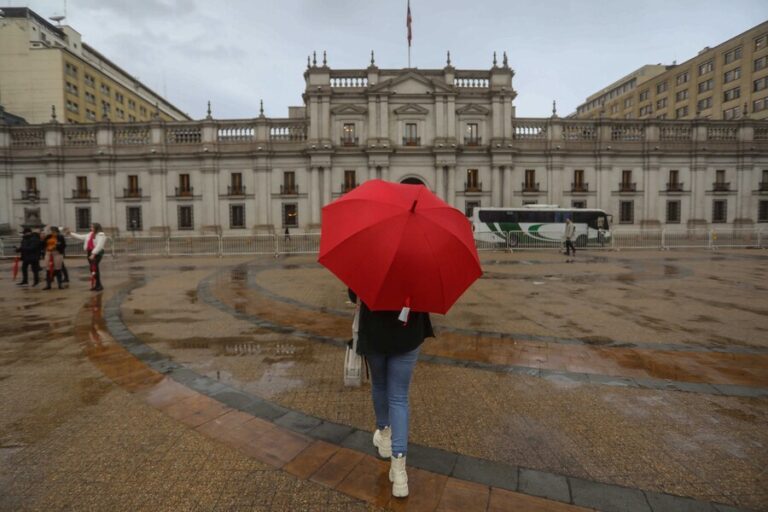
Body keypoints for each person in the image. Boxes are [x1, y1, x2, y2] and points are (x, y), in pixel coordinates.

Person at [349, 288, 434, 498]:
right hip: (408, 333)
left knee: (379, 385)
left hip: (375, 330)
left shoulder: (371, 258)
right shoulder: (422, 261)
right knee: (399, 398)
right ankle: (399, 472)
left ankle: (385, 437)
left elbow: (354, 293)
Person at [66, 223, 107, 291]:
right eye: (91, 227)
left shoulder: (101, 235)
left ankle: (98, 285)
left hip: (97, 252)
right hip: (89, 252)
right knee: (92, 269)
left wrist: (93, 254)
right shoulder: (90, 234)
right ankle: (96, 284)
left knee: (94, 268)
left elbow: (99, 245)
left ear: (97, 228)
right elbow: (80, 237)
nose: (91, 228)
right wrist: (71, 233)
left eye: (92, 227)